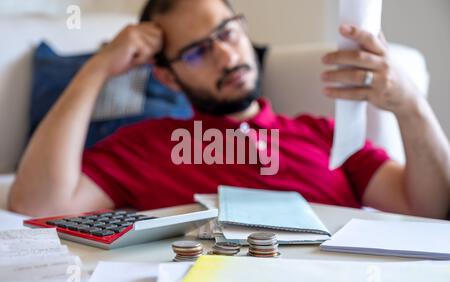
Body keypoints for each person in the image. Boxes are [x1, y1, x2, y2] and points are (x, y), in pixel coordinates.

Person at [8, 0, 450, 219]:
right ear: (167, 76)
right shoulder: (144, 146)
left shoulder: (324, 133)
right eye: (198, 52)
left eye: (228, 32)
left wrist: (409, 103)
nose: (225, 55)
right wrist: (98, 69)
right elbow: (36, 203)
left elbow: (429, 206)